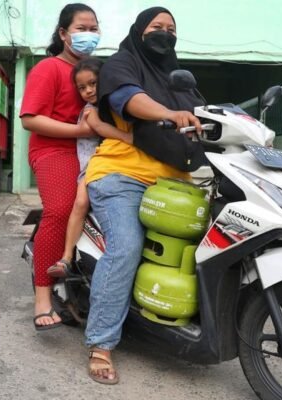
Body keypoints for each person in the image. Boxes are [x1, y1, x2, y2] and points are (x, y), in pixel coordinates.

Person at [82, 7, 206, 384]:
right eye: (156, 27)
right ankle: (100, 343)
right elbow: (128, 98)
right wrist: (168, 112)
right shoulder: (122, 63)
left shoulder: (180, 78)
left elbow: (205, 112)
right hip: (122, 176)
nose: (164, 34)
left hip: (174, 181)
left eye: (171, 29)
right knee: (127, 246)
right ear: (139, 31)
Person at [19, 3, 100, 331]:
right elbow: (30, 120)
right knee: (62, 208)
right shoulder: (48, 69)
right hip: (54, 149)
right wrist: (80, 131)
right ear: (64, 34)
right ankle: (42, 297)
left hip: (91, 149)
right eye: (82, 28)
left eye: (94, 29)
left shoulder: (95, 73)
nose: (89, 35)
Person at [47, 57, 132, 278]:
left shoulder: (116, 105)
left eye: (93, 83)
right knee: (81, 202)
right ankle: (66, 257)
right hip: (93, 166)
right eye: (82, 87)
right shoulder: (89, 111)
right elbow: (98, 127)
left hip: (117, 165)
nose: (88, 91)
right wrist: (128, 138)